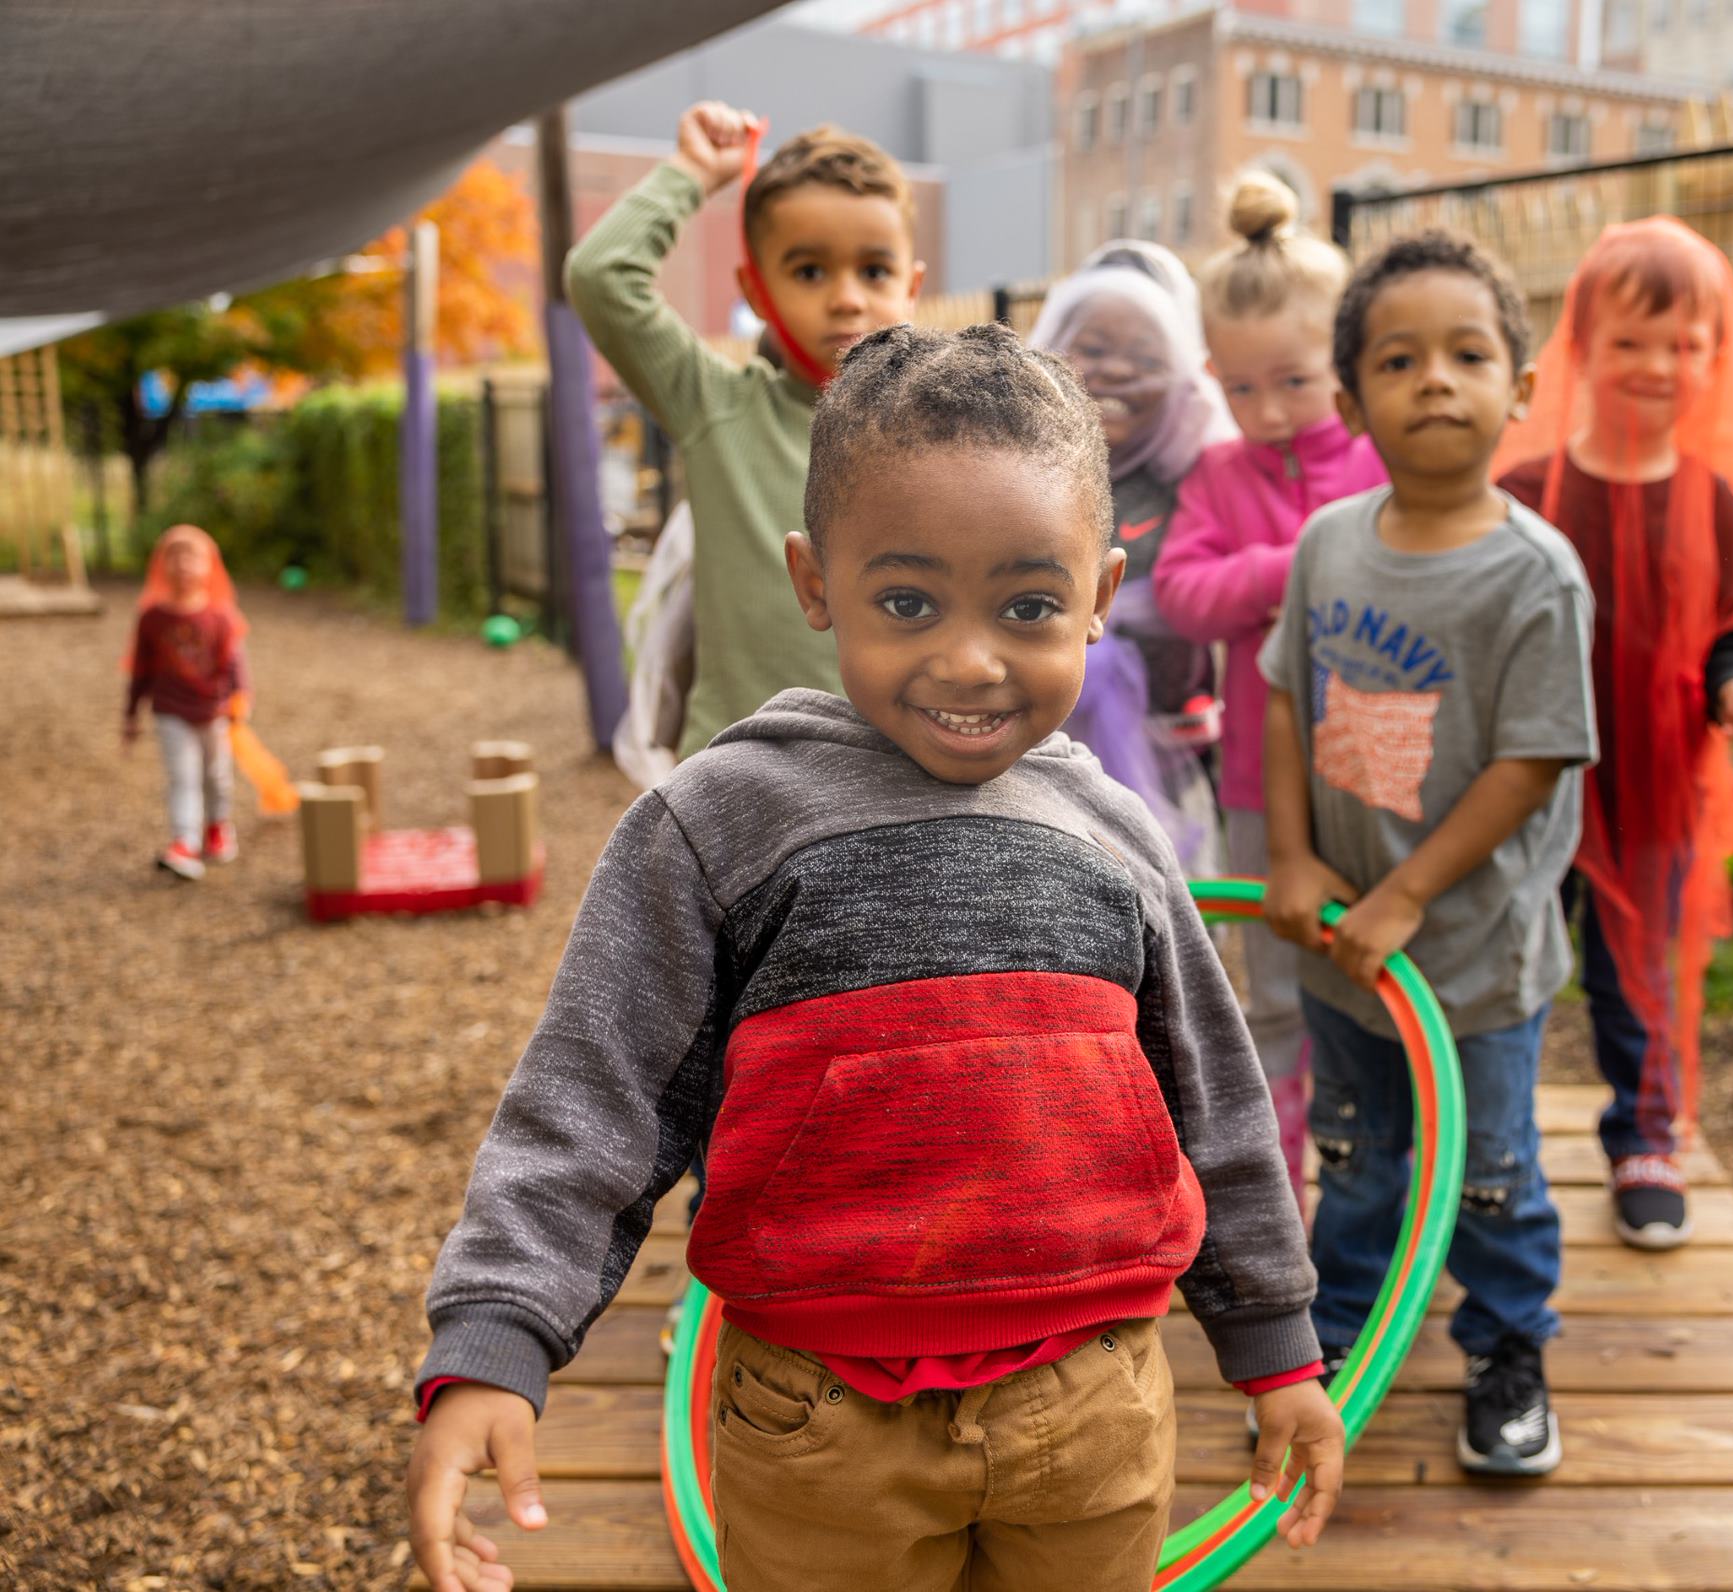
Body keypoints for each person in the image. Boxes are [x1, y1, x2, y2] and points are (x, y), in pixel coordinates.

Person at [407, 325, 1343, 1592]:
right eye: (907, 601)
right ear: (813, 580)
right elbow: (595, 1096)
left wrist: (1276, 1346)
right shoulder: (720, 824)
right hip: (817, 1421)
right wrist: (495, 1336)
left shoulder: (1117, 834)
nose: (968, 658)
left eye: (1027, 605)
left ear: (1103, 592)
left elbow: (1213, 1103)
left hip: (1093, 1403)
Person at [1260, 232, 1595, 1479]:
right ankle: (1339, 1342)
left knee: (1488, 1174)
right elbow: (1286, 697)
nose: (1435, 380)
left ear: (1518, 389)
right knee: (1352, 1159)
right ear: (1350, 402)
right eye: (1399, 360)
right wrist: (1291, 855)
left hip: (1466, 960)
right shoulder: (1328, 545)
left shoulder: (1534, 577)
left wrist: (1404, 891)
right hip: (1342, 950)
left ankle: (1508, 1345)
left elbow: (1533, 760)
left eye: (1468, 354)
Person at [1493, 217, 1733, 1252]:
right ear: (1581, 348)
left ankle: (1644, 1132)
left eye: (1682, 343)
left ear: (1712, 358)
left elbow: (1732, 630)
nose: (1657, 364)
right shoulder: (1521, 495)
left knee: (1637, 967)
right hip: (1526, 779)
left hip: (1652, 785)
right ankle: (1494, 1134)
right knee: (1511, 951)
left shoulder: (1712, 501)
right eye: (1629, 341)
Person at [1153, 170, 1386, 1190]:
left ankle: (1380, 1161)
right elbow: (1181, 594)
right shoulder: (1216, 475)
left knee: (1375, 977)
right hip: (1257, 778)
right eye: (1240, 388)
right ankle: (1282, 1181)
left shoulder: (1379, 466)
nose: (1268, 410)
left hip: (1381, 772)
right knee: (1278, 986)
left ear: (1338, 363)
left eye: (1292, 381)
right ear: (1212, 376)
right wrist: (1295, 561)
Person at [566, 100, 923, 759]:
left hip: (892, 784)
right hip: (735, 778)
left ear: (912, 286)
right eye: (809, 270)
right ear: (755, 292)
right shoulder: (717, 407)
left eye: (873, 270)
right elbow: (599, 275)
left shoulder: (944, 436)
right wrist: (693, 172)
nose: (846, 297)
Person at [1027, 245, 1235, 872]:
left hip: (1173, 782)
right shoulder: (1018, 481)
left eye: (1147, 358)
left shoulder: (1203, 481)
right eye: (1092, 348)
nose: (1116, 370)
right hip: (1032, 769)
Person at [122, 524, 252, 880]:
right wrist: (131, 714)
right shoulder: (152, 618)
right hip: (170, 713)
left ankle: (217, 827)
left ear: (210, 565)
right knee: (183, 777)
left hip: (213, 712)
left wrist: (240, 698)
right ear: (161, 565)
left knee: (217, 776)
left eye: (192, 556)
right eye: (174, 556)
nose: (183, 564)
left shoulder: (221, 615)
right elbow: (141, 669)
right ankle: (184, 841)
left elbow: (235, 661)